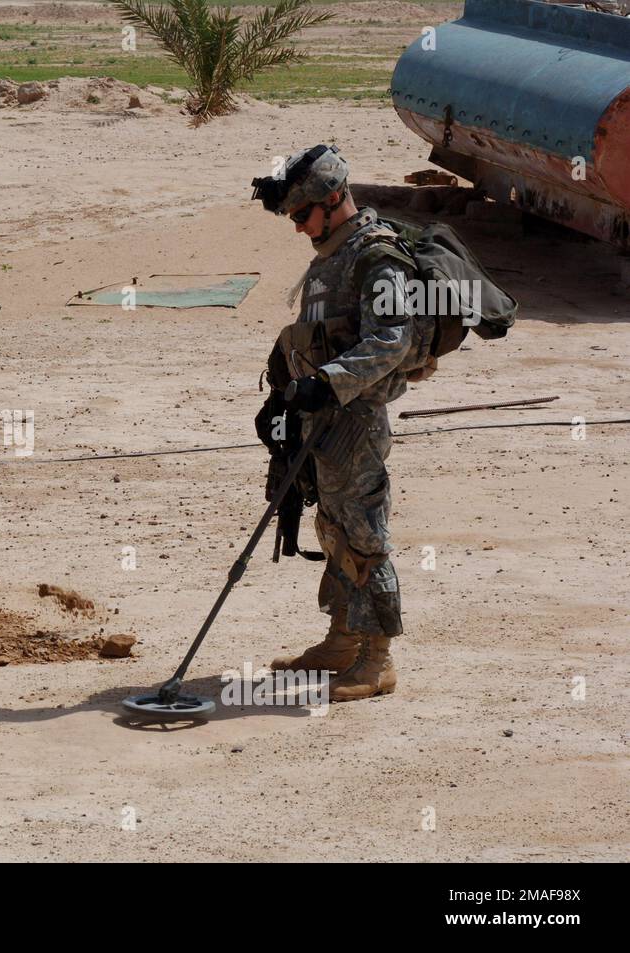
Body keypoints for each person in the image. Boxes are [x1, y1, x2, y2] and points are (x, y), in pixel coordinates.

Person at [252, 146, 426, 701]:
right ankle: (341, 639)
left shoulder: (377, 256)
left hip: (355, 420)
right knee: (333, 529)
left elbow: (391, 339)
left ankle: (377, 660)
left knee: (364, 534)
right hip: (321, 419)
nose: (299, 227)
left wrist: (327, 382)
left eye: (303, 215)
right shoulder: (332, 252)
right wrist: (286, 394)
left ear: (333, 201)